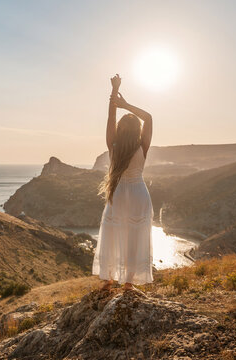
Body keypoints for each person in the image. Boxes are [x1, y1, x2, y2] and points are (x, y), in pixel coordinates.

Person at [92, 73, 154, 291]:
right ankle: (128, 282)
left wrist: (114, 91)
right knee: (135, 236)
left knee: (112, 232)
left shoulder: (114, 146)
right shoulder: (142, 147)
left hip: (118, 193)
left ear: (120, 130)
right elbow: (148, 117)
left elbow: (110, 118)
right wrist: (126, 105)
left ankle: (108, 279)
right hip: (139, 193)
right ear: (137, 131)